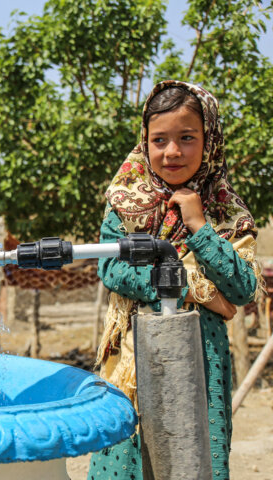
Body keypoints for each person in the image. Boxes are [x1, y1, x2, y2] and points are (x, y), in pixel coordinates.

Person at [87, 80, 264, 480]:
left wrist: (199, 225)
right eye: (159, 140)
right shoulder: (125, 204)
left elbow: (240, 288)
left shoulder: (226, 214)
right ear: (144, 143)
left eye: (187, 138)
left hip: (202, 359)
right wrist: (189, 288)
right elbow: (111, 269)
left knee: (192, 457)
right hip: (130, 360)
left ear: (210, 141)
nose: (171, 152)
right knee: (124, 458)